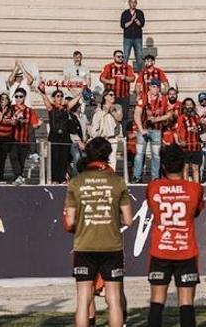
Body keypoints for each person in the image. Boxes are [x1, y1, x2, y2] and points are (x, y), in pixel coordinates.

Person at [64, 138, 132, 327]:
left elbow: (69, 221)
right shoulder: (118, 181)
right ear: (108, 155)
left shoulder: (76, 183)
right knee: (114, 299)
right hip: (111, 245)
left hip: (84, 245)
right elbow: (128, 220)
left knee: (83, 299)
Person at [145, 144, 204, 327]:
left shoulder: (153, 187)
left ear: (163, 165)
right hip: (186, 250)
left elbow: (153, 209)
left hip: (161, 250)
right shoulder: (195, 188)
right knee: (186, 302)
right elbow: (196, 212)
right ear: (183, 165)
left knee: (157, 300)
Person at [39, 86, 83, 184]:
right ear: (54, 98)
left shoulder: (66, 108)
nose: (60, 98)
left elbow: (75, 100)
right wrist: (42, 92)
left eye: (61, 96)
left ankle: (62, 178)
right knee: (54, 158)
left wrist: (81, 92)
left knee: (63, 158)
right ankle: (54, 178)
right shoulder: (51, 108)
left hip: (64, 136)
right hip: (54, 136)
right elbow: (45, 99)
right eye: (58, 96)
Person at [132, 79, 172, 182]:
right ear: (149, 87)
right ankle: (137, 177)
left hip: (156, 130)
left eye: (158, 87)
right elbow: (137, 114)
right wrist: (141, 129)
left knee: (156, 155)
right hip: (144, 128)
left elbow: (169, 114)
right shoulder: (143, 97)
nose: (156, 89)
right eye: (154, 86)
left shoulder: (163, 98)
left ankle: (155, 178)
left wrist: (157, 119)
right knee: (139, 154)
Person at [9, 87, 42, 184]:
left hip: (24, 139)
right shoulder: (10, 109)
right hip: (13, 138)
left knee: (21, 160)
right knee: (13, 157)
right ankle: (18, 176)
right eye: (16, 96)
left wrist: (38, 124)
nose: (18, 99)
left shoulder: (29, 110)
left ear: (24, 98)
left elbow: (35, 124)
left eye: (21, 96)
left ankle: (19, 177)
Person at [99, 50, 136, 127]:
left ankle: (123, 133)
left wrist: (126, 78)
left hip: (124, 96)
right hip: (111, 97)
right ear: (114, 57)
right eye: (118, 56)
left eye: (122, 57)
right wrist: (109, 81)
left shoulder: (127, 67)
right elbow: (101, 78)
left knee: (124, 117)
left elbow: (133, 78)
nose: (120, 58)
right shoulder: (108, 66)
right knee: (110, 115)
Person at [90, 89, 123, 169]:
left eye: (114, 95)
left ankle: (111, 175)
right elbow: (95, 121)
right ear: (105, 97)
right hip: (102, 137)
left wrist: (111, 110)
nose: (113, 96)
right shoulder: (99, 108)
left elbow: (119, 118)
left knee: (112, 159)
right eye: (111, 95)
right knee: (101, 158)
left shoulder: (117, 106)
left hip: (112, 137)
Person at [175, 98, 205, 182]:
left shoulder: (197, 117)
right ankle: (186, 185)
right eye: (187, 105)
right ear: (184, 106)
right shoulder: (181, 118)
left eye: (191, 104)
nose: (189, 107)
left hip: (196, 146)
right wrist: (179, 141)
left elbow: (201, 129)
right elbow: (177, 131)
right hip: (185, 147)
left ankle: (196, 185)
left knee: (196, 168)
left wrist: (201, 126)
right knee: (185, 168)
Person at [120, 0, 145, 72]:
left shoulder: (140, 13)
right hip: (127, 38)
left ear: (136, 3)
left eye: (134, 2)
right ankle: (123, 72)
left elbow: (142, 24)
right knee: (125, 56)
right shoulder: (125, 13)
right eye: (131, 2)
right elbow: (123, 25)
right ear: (129, 3)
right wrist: (131, 20)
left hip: (137, 38)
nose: (133, 4)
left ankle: (140, 73)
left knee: (139, 56)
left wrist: (137, 21)